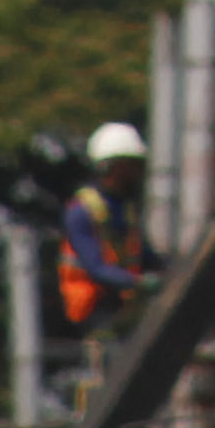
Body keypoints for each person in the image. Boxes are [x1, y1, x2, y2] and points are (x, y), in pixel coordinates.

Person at [58, 118, 160, 339]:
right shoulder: (81, 211)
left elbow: (144, 255)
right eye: (133, 164)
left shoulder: (125, 208)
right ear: (115, 166)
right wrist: (139, 282)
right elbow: (96, 267)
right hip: (92, 310)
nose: (139, 171)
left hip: (121, 304)